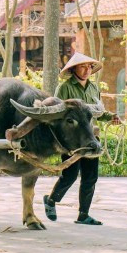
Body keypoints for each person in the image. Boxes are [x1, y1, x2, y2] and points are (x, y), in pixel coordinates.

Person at [43, 52, 112, 226]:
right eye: (83, 66)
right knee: (70, 175)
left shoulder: (93, 88)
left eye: (89, 67)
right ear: (74, 69)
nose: (87, 70)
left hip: (90, 138)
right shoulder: (65, 88)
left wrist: (112, 117)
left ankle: (83, 215)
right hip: (72, 140)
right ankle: (51, 200)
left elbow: (98, 112)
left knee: (91, 177)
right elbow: (58, 113)